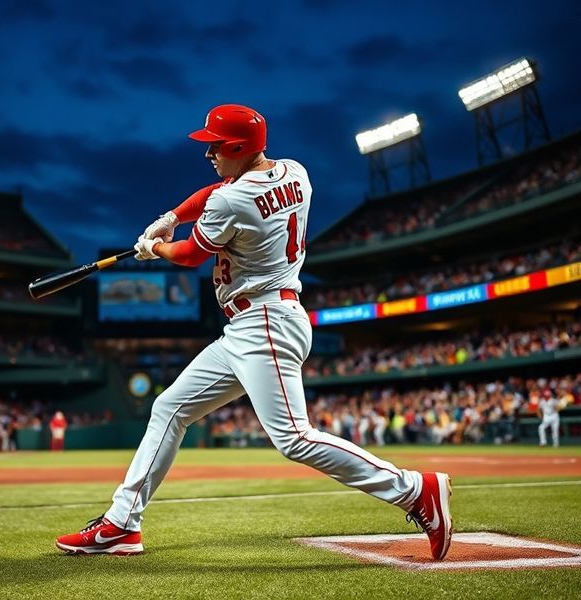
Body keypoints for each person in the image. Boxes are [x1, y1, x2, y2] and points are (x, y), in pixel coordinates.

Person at [55, 104, 453, 559]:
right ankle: (121, 525)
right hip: (255, 323)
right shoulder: (295, 172)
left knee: (294, 438)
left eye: (216, 146)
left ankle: (414, 490)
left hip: (264, 322)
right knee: (170, 408)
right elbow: (218, 191)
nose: (209, 154)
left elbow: (188, 255)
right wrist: (173, 213)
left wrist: (155, 247)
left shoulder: (233, 200)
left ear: (240, 147)